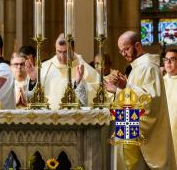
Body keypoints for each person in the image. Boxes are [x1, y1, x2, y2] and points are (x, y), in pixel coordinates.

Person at [105, 31, 176, 170]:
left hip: (141, 134)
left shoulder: (149, 67)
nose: (124, 54)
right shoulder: (137, 67)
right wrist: (118, 90)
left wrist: (124, 87)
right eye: (121, 51)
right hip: (129, 127)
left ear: (137, 45)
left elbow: (151, 100)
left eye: (126, 49)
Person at [26, 34, 99, 110]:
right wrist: (33, 81)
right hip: (48, 118)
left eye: (65, 52)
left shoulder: (84, 69)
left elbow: (95, 97)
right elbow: (32, 99)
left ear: (73, 49)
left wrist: (78, 83)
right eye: (59, 51)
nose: (62, 56)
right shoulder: (44, 68)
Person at [163, 49, 177, 163]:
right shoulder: (160, 81)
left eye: (172, 59)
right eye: (166, 59)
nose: (168, 63)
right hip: (163, 128)